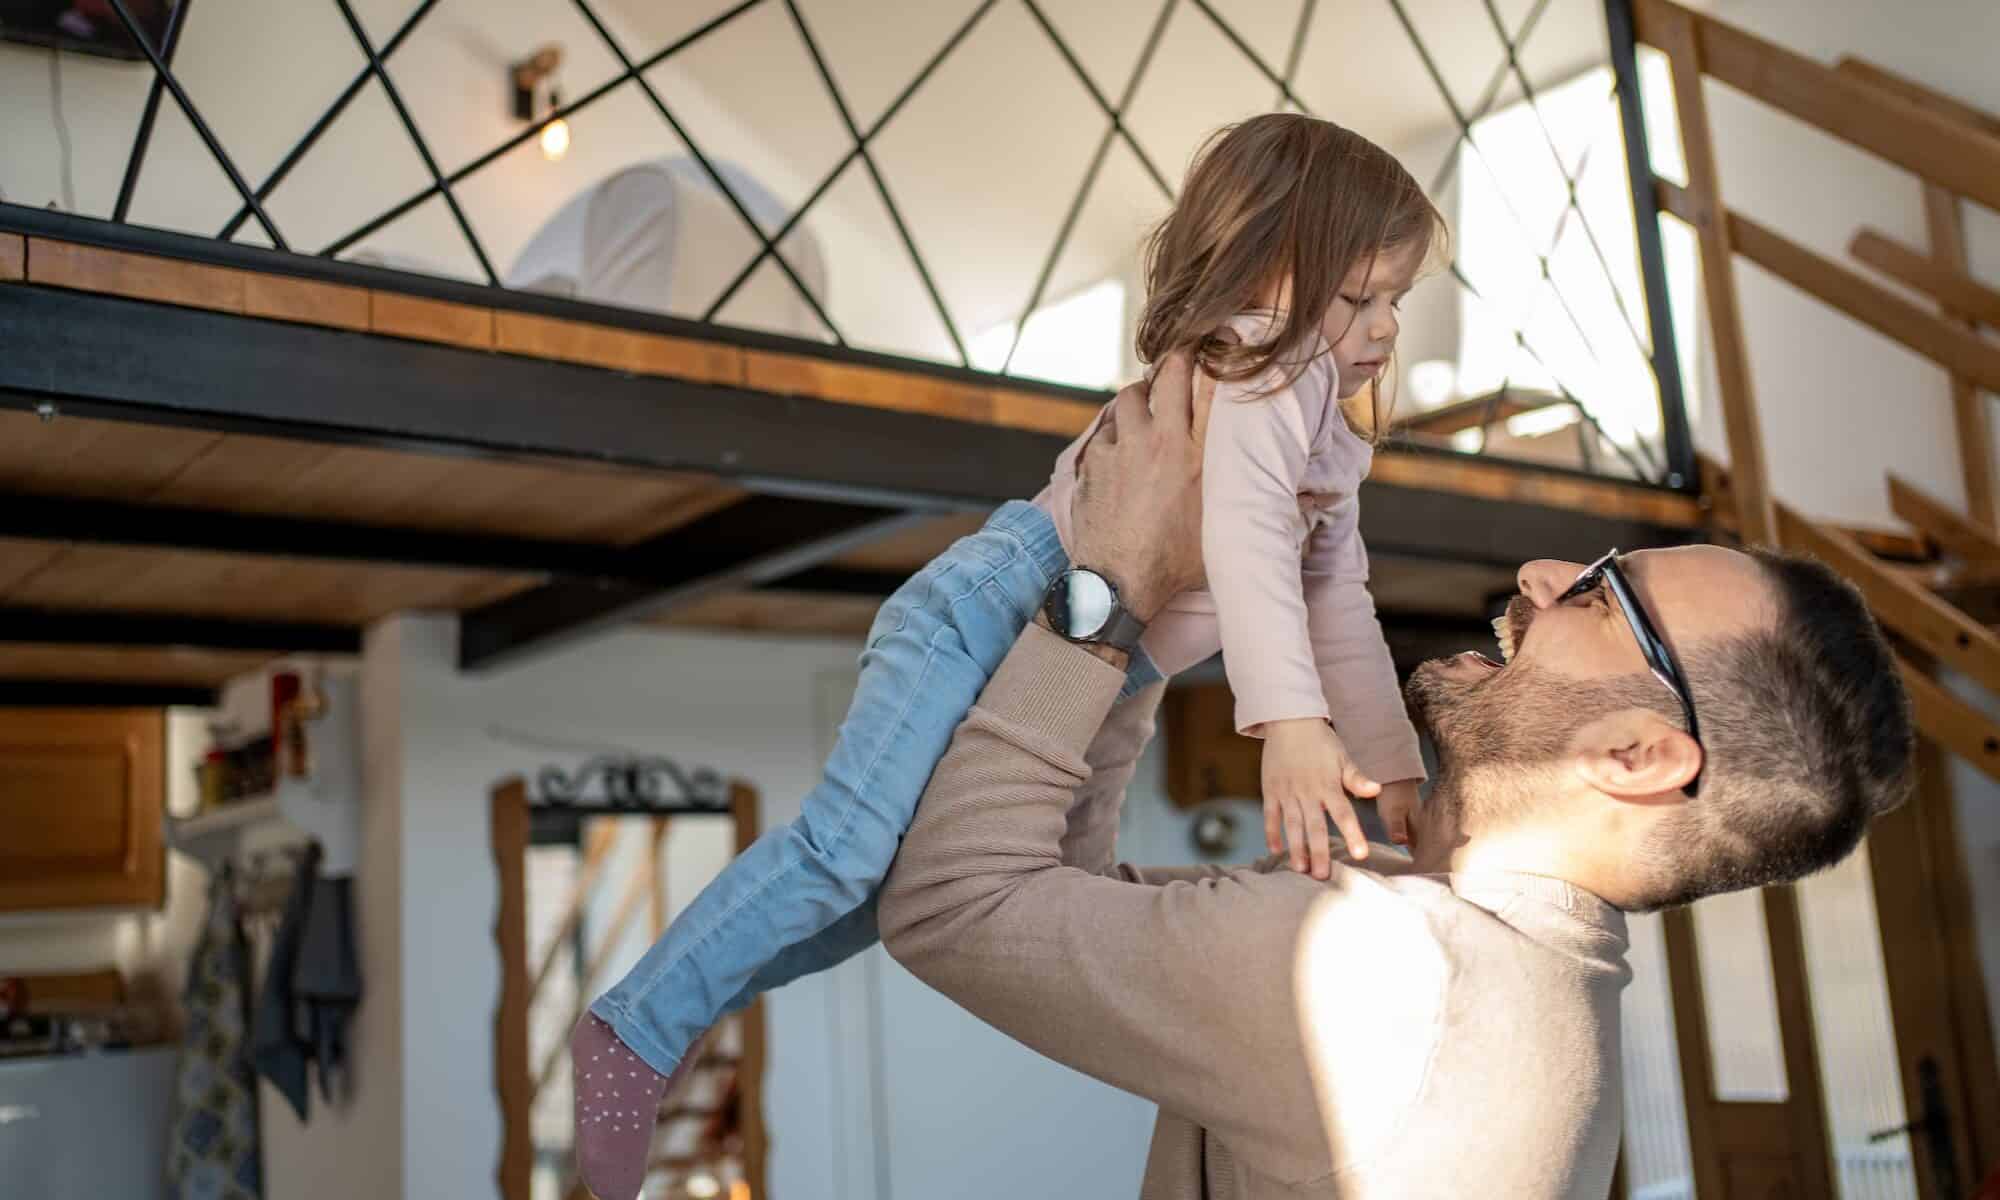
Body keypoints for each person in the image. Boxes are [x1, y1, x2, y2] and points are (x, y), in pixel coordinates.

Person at [571, 112, 1447, 1197]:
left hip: (1108, 667)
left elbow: (1333, 590)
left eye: (1395, 301)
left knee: (913, 900)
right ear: (1267, 272)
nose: (1382, 329)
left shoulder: (1327, 425)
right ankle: (633, 1030)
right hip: (991, 607)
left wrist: (1388, 756)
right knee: (842, 854)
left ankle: (690, 994)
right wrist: (1292, 725)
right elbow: (1246, 545)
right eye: (1358, 297)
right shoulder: (1250, 379)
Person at [875, 358, 1916, 1198]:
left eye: (1601, 603)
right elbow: (1059, 905)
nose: (1541, 577)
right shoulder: (1503, 975)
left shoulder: (1393, 973)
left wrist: (1111, 579)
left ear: (1634, 756)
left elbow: (952, 907)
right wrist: (1153, 623)